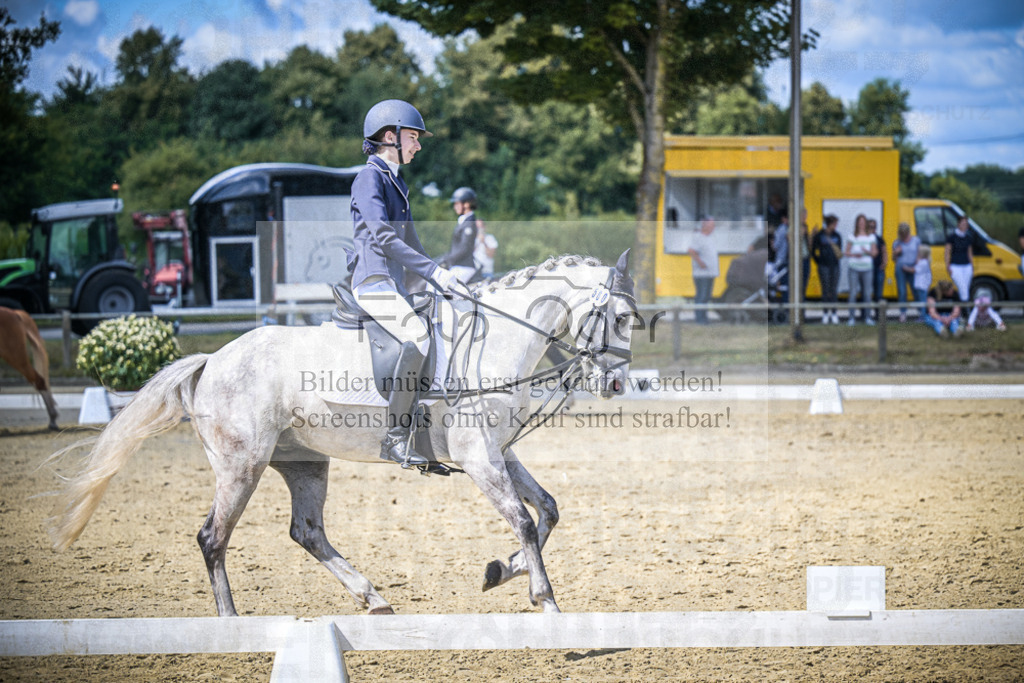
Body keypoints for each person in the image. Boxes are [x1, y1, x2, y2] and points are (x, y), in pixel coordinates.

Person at [348, 99, 462, 469]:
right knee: (417, 337)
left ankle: (423, 435)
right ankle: (395, 437)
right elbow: (383, 238)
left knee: (441, 328)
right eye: (413, 137)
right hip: (374, 280)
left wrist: (441, 279)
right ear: (389, 137)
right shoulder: (369, 178)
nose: (418, 145)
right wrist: (433, 274)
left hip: (394, 284)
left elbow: (412, 245)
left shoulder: (397, 184)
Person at [439, 186, 481, 283]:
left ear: (466, 204)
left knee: (444, 286)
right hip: (458, 266)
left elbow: (464, 248)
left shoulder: (469, 224)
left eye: (457, 203)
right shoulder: (464, 221)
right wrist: (442, 258)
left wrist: (447, 259)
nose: (455, 207)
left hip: (464, 267)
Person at [844, 214, 877, 325]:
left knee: (867, 294)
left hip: (867, 268)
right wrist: (854, 255)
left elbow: (875, 253)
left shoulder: (871, 237)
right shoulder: (852, 236)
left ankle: (868, 317)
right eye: (860, 221)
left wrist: (867, 252)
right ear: (857, 223)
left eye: (863, 222)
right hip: (854, 267)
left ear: (866, 223)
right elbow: (846, 252)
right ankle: (851, 318)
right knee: (853, 293)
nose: (861, 224)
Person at [811, 214, 842, 324]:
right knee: (825, 290)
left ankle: (834, 313)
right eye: (835, 223)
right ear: (830, 224)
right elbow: (813, 251)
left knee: (834, 290)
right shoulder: (820, 235)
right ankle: (825, 314)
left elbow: (839, 251)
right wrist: (819, 261)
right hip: (823, 266)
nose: (836, 226)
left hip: (835, 266)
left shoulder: (837, 236)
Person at [688, 215, 719, 324]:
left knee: (706, 297)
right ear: (705, 226)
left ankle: (704, 318)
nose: (713, 227)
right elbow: (691, 251)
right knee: (701, 296)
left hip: (710, 273)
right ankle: (700, 319)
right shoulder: (698, 237)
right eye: (712, 225)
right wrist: (700, 263)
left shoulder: (710, 237)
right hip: (702, 274)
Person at [891, 222, 921, 322]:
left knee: (915, 290)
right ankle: (903, 313)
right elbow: (893, 259)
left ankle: (921, 312)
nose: (903, 235)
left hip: (913, 267)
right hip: (900, 268)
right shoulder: (897, 242)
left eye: (905, 233)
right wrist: (896, 252)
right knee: (902, 291)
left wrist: (916, 265)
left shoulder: (916, 240)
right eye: (901, 234)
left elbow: (919, 253)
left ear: (908, 232)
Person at [945, 215, 974, 302]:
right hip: (955, 266)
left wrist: (972, 266)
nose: (965, 225)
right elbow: (947, 252)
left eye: (966, 223)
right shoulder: (952, 237)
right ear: (958, 224)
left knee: (966, 288)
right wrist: (947, 266)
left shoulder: (968, 237)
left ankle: (962, 310)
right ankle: (966, 310)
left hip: (966, 266)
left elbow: (969, 252)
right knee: (962, 288)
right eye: (963, 223)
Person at [868, 218, 887, 307]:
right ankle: (865, 316)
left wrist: (884, 264)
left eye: (874, 227)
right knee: (866, 293)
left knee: (878, 294)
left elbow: (884, 252)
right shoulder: (864, 239)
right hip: (867, 269)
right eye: (871, 227)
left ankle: (878, 316)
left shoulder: (879, 239)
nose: (873, 229)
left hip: (878, 269)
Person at [912, 245, 932, 316]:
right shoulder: (924, 262)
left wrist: (905, 268)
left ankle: (923, 316)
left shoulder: (923, 262)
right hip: (921, 285)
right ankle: (922, 315)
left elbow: (915, 269)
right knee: (921, 300)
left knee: (922, 302)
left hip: (922, 285)